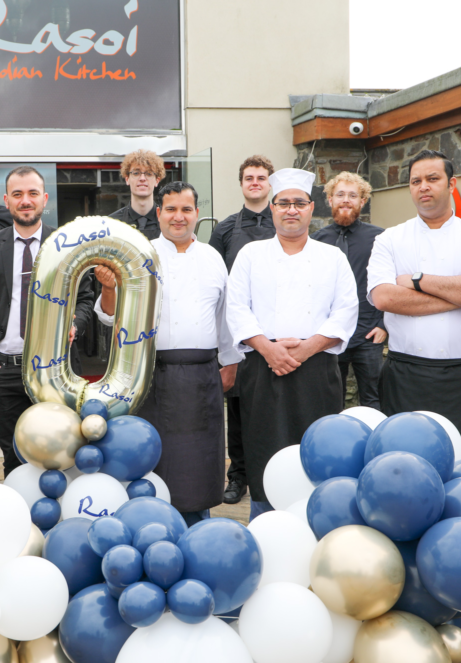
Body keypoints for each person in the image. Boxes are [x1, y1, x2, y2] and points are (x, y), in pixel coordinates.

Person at [95, 182, 242, 526]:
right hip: (151, 375)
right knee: (153, 457)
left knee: (199, 461)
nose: (179, 217)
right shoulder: (138, 254)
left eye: (186, 209)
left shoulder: (212, 258)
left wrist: (230, 359)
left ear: (197, 214)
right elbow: (111, 316)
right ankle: (150, 523)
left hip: (202, 375)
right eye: (171, 209)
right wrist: (107, 286)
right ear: (158, 213)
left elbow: (225, 316)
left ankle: (197, 524)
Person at [226, 168, 359, 520]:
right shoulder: (251, 255)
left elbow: (346, 311)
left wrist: (307, 348)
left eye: (298, 203)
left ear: (311, 208)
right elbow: (236, 308)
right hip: (261, 368)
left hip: (316, 370)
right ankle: (264, 520)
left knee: (316, 449)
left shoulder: (333, 258)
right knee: (264, 449)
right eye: (283, 203)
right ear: (272, 208)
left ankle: (318, 519)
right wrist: (268, 348)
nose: (291, 210)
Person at [367, 150, 461, 459]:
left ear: (451, 184)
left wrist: (416, 280)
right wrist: (459, 293)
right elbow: (384, 298)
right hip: (405, 375)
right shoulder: (390, 239)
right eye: (416, 181)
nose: (423, 187)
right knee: (402, 466)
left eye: (432, 179)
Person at [0, 166, 93, 476]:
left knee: (63, 452)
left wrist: (74, 324)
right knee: (13, 456)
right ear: (7, 200)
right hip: (6, 371)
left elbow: (86, 298)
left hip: (57, 371)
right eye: (19, 194)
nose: (26, 201)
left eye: (33, 194)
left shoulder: (68, 243)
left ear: (44, 199)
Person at [208, 155, 276, 505]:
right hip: (237, 334)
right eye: (248, 177)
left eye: (261, 177)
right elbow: (213, 283)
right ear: (241, 184)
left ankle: (273, 474)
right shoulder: (224, 229)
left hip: (279, 333)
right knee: (237, 412)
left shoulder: (286, 223)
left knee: (273, 410)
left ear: (270, 183)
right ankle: (238, 477)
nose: (254, 182)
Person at [312, 172, 388, 410]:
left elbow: (393, 283)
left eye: (353, 195)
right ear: (330, 199)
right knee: (331, 397)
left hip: (369, 333)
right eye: (340, 194)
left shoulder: (381, 238)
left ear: (362, 201)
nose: (346, 200)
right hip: (330, 333)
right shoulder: (315, 242)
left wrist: (384, 324)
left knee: (374, 398)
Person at [108, 149, 164, 239]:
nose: (142, 178)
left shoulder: (168, 221)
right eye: (136, 173)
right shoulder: (111, 223)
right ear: (127, 179)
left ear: (157, 180)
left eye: (149, 173)